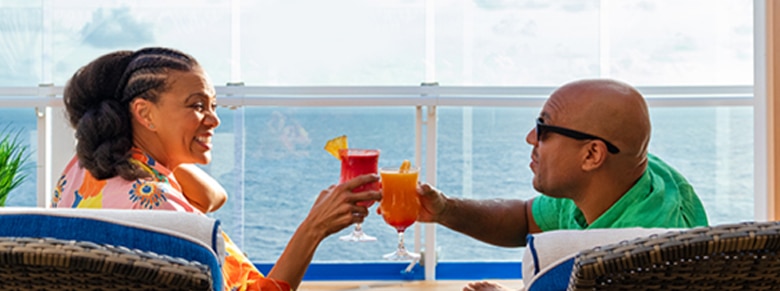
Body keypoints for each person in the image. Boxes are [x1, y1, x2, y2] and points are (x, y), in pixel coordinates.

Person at [51, 47, 382, 291]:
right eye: (197, 105)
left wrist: (173, 156)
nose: (214, 120)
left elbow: (213, 197)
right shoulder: (161, 208)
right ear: (145, 113)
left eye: (213, 106)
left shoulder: (85, 168)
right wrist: (314, 228)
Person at [412, 79, 709, 291]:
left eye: (544, 129)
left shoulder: (637, 260)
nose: (530, 137)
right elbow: (525, 219)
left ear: (592, 154)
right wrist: (444, 210)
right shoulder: (617, 176)